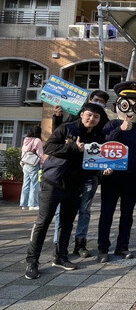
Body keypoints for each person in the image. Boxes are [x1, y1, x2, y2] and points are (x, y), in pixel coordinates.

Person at [24, 103, 111, 280]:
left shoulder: (96, 136)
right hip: (53, 182)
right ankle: (32, 261)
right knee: (43, 222)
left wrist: (103, 170)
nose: (91, 119)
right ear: (81, 114)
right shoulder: (67, 128)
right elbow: (49, 148)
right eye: (89, 115)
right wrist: (72, 147)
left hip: (75, 186)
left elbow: (93, 163)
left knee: (67, 223)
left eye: (96, 117)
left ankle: (60, 256)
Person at [97, 81, 136, 263]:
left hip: (133, 177)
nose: (130, 110)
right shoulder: (110, 124)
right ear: (118, 106)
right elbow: (102, 144)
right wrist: (119, 130)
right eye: (126, 105)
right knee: (107, 212)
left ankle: (122, 246)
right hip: (112, 176)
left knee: (127, 214)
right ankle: (103, 248)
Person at [52, 89, 110, 258]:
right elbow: (57, 139)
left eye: (102, 102)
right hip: (68, 173)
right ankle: (59, 245)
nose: (98, 104)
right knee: (61, 211)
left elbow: (104, 148)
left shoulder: (103, 123)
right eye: (96, 100)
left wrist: (104, 166)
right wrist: (57, 117)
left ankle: (80, 243)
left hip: (89, 175)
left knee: (85, 209)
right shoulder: (74, 120)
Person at [20, 125, 44, 210]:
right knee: (34, 184)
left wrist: (21, 162)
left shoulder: (26, 139)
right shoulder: (37, 140)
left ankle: (24, 204)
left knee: (25, 184)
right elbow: (40, 154)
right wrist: (42, 163)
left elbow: (23, 151)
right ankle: (33, 204)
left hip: (25, 163)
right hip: (34, 164)